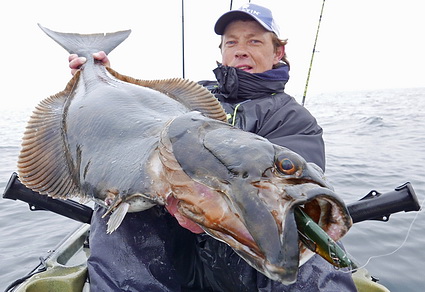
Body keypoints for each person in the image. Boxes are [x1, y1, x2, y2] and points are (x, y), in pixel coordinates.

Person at [69, 3, 357, 291]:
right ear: (221, 51)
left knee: (305, 243)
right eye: (231, 42)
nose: (240, 50)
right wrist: (101, 78)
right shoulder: (192, 98)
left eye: (254, 40)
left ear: (278, 52)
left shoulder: (294, 119)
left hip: (245, 261)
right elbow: (131, 123)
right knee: (123, 209)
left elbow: (280, 193)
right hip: (172, 249)